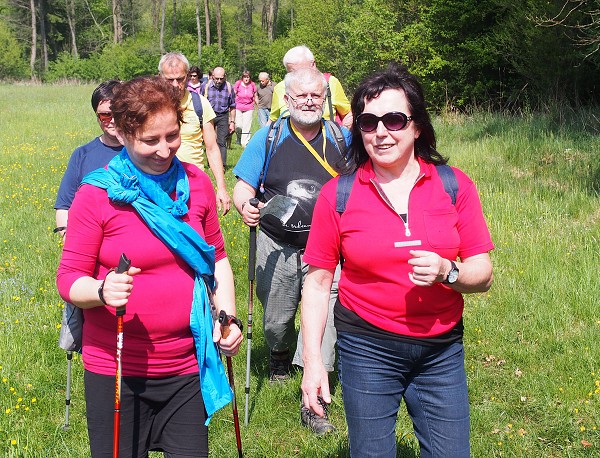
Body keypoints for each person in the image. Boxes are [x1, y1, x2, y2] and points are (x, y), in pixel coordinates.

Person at [300, 62, 494, 457]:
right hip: (366, 345)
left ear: (417, 125)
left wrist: (448, 271)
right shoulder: (337, 195)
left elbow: (484, 273)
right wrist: (314, 363)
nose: (381, 132)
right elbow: (318, 284)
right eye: (368, 122)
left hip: (441, 349)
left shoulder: (453, 184)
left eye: (393, 119)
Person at [56, 76, 243, 458]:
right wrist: (102, 290)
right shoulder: (96, 195)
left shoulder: (198, 183)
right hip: (117, 369)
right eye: (150, 140)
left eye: (172, 136)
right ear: (124, 134)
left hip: (186, 366)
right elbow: (68, 279)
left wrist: (229, 318)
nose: (165, 149)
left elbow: (216, 258)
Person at [232, 67, 351, 435]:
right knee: (276, 321)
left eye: (316, 95)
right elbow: (243, 186)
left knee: (328, 322)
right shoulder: (268, 137)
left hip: (328, 251)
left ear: (325, 98)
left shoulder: (342, 137)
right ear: (288, 100)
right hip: (276, 244)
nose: (309, 101)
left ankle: (313, 399)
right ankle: (280, 356)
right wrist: (245, 206)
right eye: (301, 96)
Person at [158, 53, 231, 214]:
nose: (176, 85)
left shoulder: (200, 104)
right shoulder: (152, 105)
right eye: (170, 80)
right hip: (159, 183)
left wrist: (222, 188)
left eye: (180, 79)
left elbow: (211, 148)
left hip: (193, 181)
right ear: (160, 77)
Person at [54, 80, 123, 237]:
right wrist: (67, 237)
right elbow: (64, 206)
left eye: (117, 113)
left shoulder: (143, 151)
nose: (112, 120)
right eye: (105, 115)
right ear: (97, 116)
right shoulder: (82, 155)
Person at [269, 45, 353, 128]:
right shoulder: (280, 88)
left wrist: (343, 131)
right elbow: (272, 120)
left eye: (302, 71)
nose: (298, 76)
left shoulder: (330, 83)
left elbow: (348, 113)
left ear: (313, 64)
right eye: (292, 73)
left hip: (327, 139)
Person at [201, 67, 236, 166]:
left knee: (221, 141)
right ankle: (211, 164)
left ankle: (222, 165)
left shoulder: (229, 87)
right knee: (209, 141)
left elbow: (232, 106)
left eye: (221, 78)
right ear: (212, 77)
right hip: (208, 116)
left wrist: (232, 122)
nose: (219, 81)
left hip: (223, 116)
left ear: (225, 77)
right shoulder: (205, 86)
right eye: (216, 78)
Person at [233, 70, 257, 147]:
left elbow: (255, 96)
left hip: (249, 107)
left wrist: (258, 105)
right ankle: (238, 139)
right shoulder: (238, 83)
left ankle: (245, 142)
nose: (246, 79)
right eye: (245, 77)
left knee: (247, 125)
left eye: (248, 77)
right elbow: (233, 94)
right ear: (242, 78)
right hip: (238, 107)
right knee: (238, 125)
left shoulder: (252, 85)